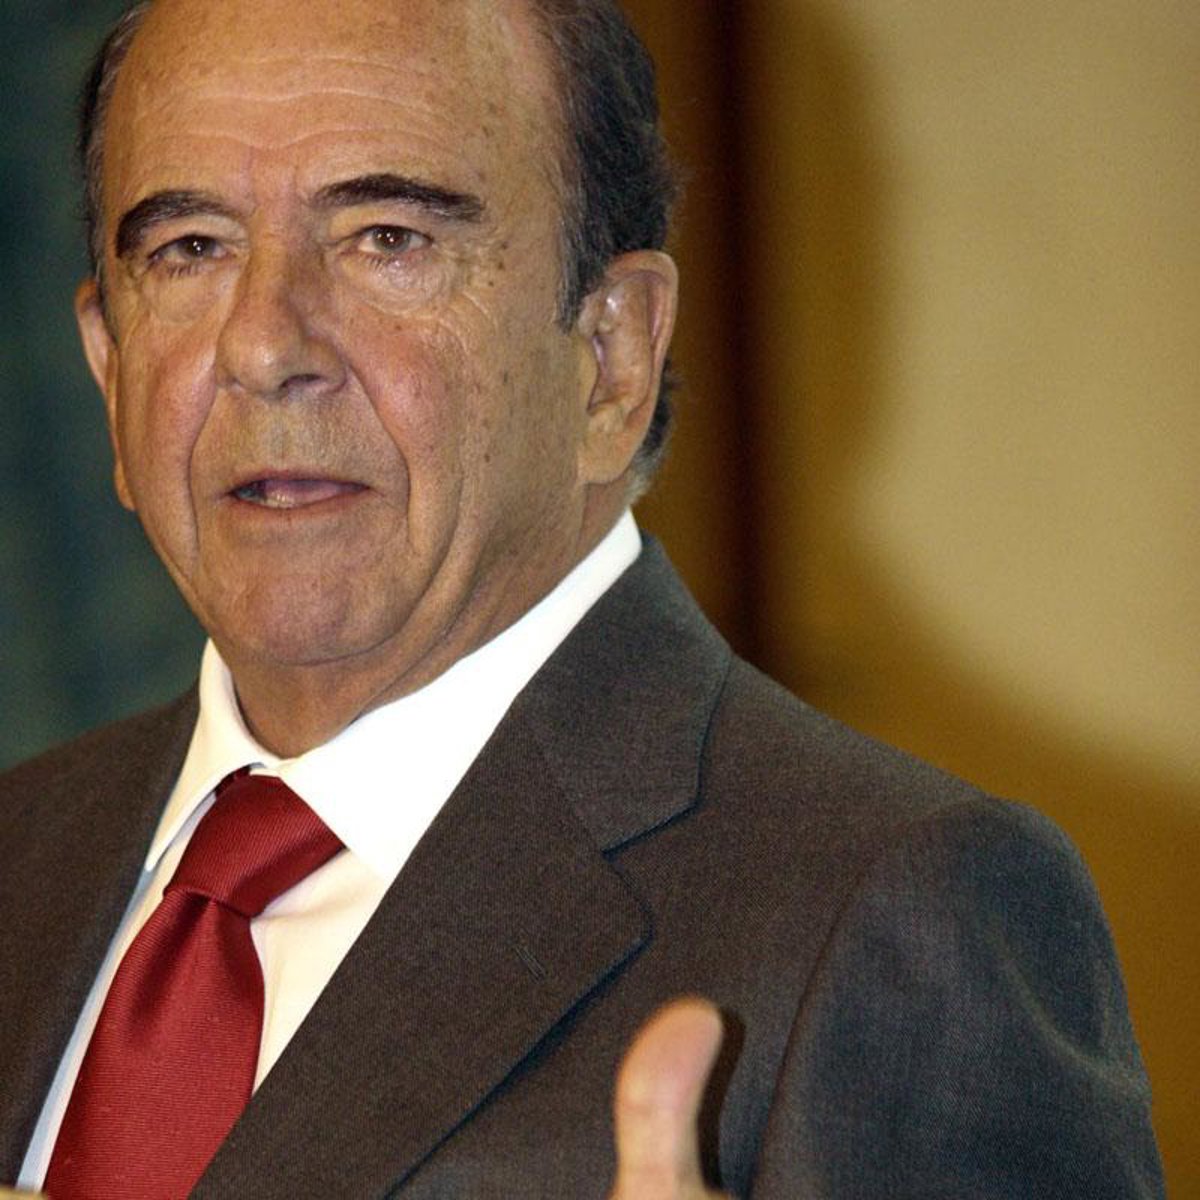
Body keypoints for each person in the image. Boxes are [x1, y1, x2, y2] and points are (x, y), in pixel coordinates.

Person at [0, 0, 1164, 1196]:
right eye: (190, 248)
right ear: (109, 368)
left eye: (387, 238)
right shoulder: (21, 855)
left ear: (612, 358)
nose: (263, 346)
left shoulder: (894, 918)